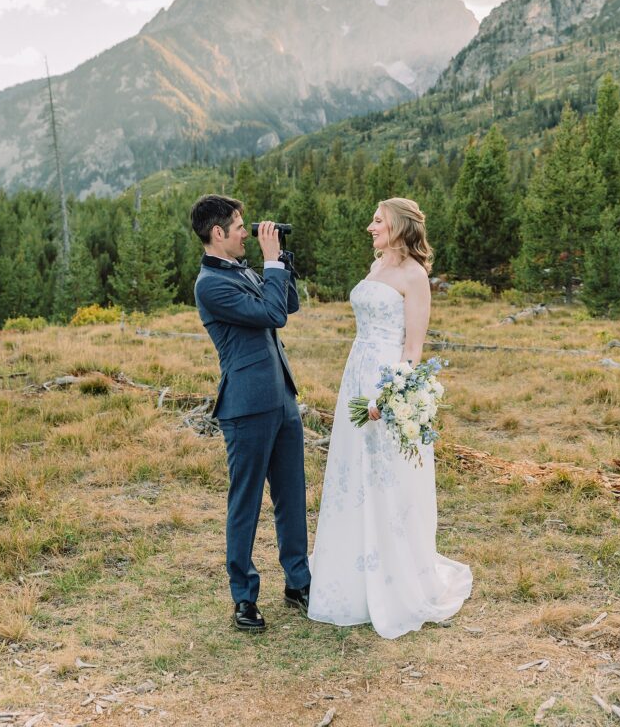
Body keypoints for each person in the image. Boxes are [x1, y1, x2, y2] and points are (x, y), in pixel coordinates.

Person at [307, 197, 472, 639]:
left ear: (398, 225)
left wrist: (392, 395)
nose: (369, 226)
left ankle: (392, 574)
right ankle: (350, 569)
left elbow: (413, 349)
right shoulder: (377, 265)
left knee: (385, 476)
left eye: (377, 220)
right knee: (351, 474)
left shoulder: (414, 276)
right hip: (356, 373)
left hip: (385, 383)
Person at [192, 195, 310, 633]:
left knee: (291, 497)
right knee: (245, 504)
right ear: (218, 233)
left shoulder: (241, 270)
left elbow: (288, 305)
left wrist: (282, 263)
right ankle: (244, 597)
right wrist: (271, 264)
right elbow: (272, 314)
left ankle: (298, 583)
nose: (246, 232)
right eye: (239, 226)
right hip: (245, 407)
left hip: (281, 399)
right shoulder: (210, 284)